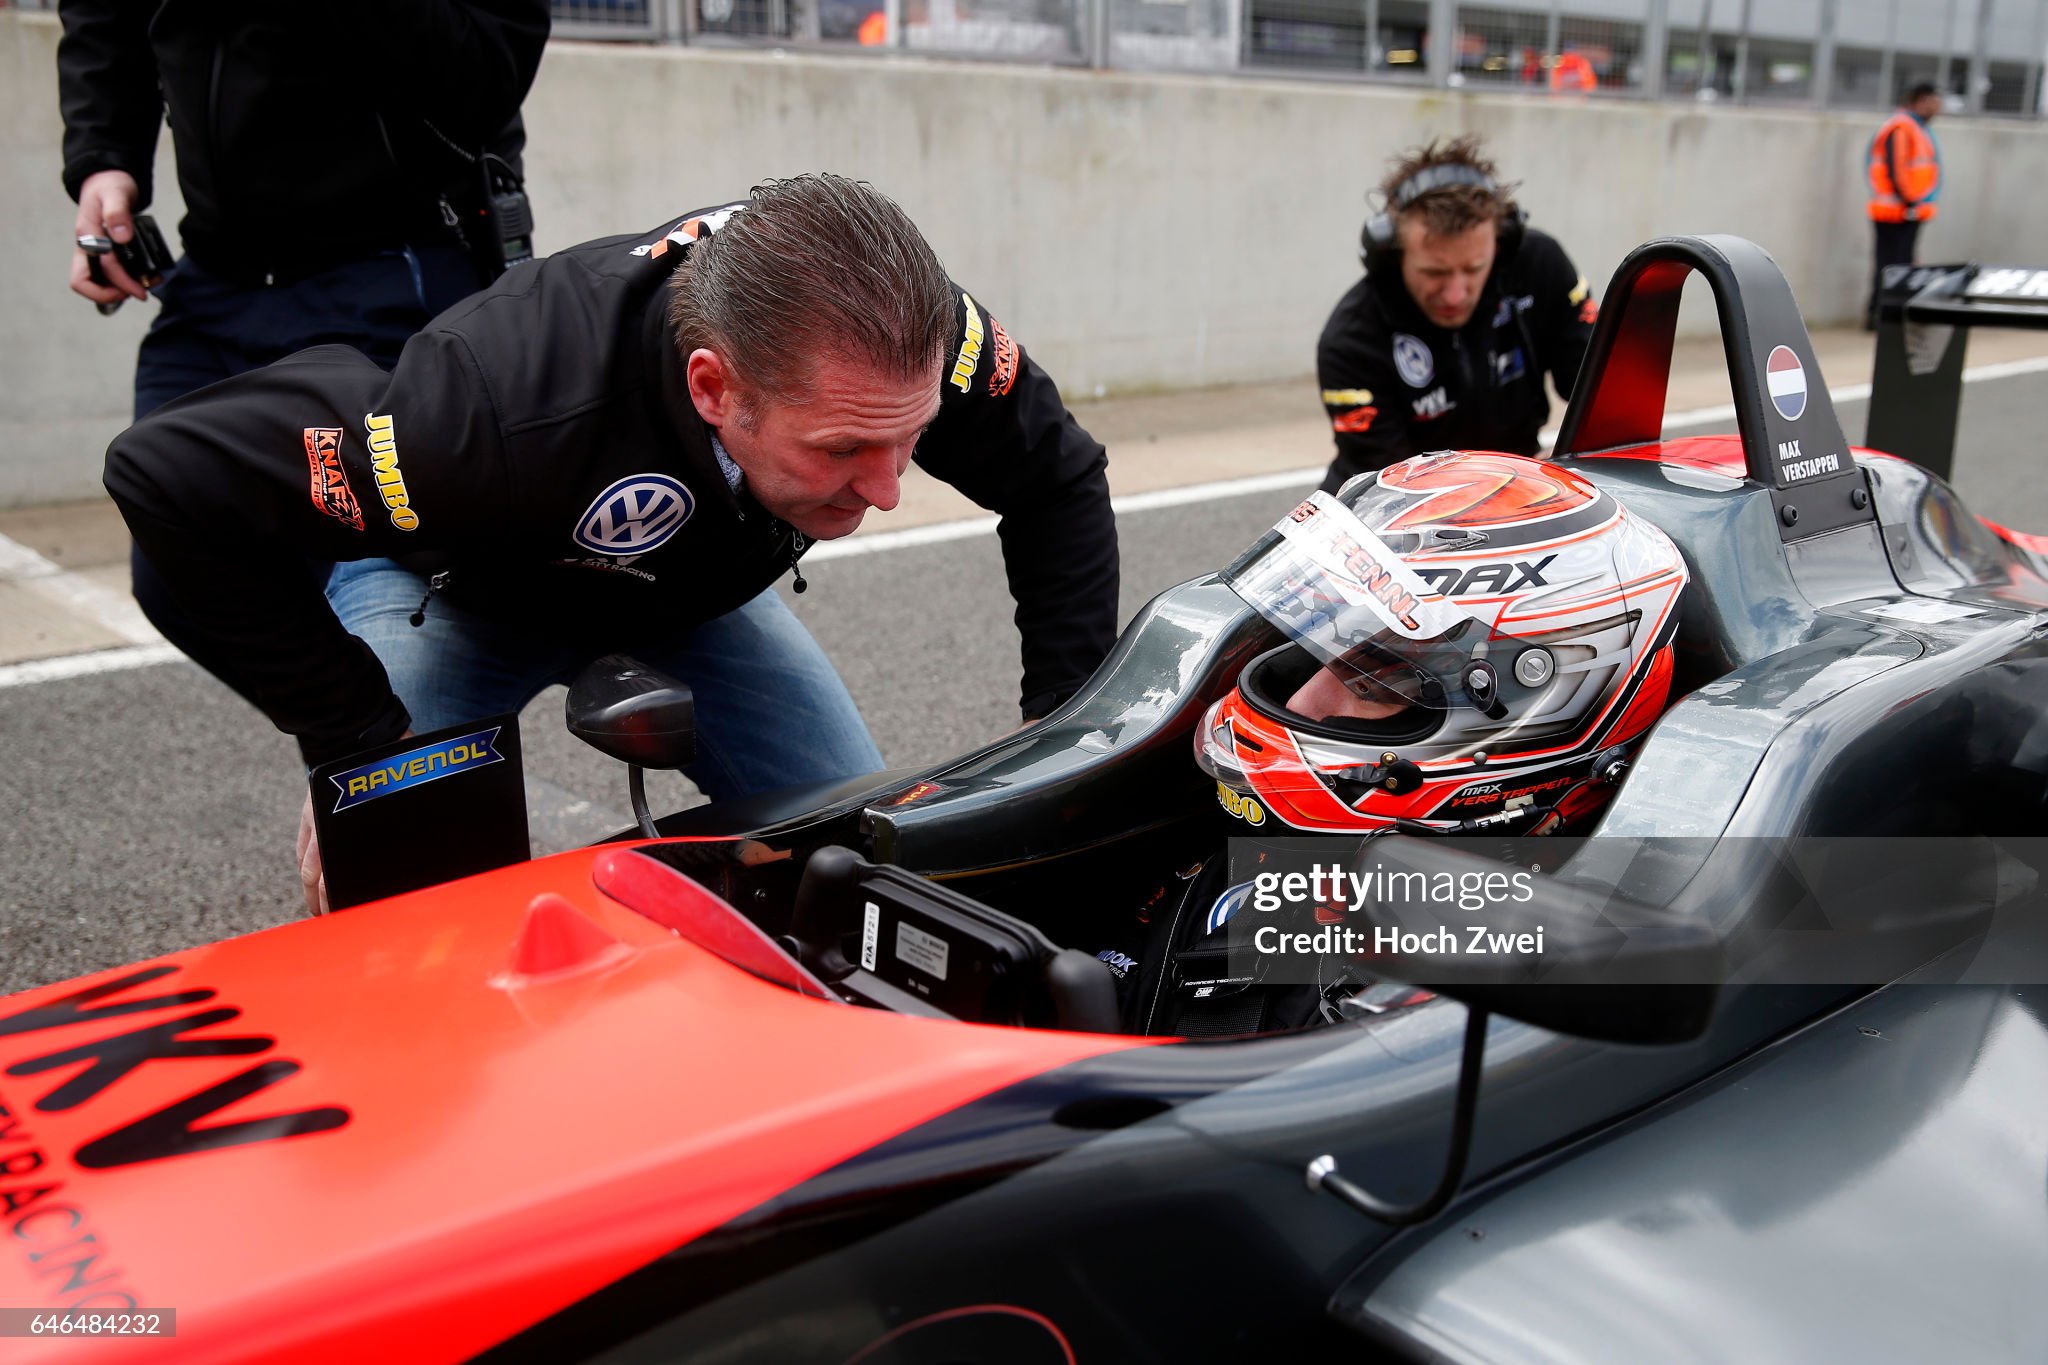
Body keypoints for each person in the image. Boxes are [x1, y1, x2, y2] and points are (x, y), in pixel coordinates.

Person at [103, 174, 1120, 913]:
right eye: (845, 450)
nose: (888, 492)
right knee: (391, 881)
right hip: (456, 590)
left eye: (908, 442)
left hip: (686, 600)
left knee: (870, 867)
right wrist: (352, 738)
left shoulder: (916, 339)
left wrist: (1061, 734)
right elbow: (164, 476)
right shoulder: (481, 415)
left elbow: (1058, 481)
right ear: (714, 389)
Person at [1098, 450, 1688, 1035]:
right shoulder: (1244, 873)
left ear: (1541, 708)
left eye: (1377, 682)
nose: (1303, 701)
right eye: (1322, 651)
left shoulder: (1569, 969)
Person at [60, 2, 551, 691]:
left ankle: (394, 765)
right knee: (176, 562)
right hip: (218, 274)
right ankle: (361, 751)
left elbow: (486, 71)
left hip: (392, 261)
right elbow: (103, 19)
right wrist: (104, 160)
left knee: (394, 590)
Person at [1315, 136, 1599, 495]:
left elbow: (1602, 394)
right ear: (1393, 255)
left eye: (1474, 268)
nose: (1455, 293)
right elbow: (1389, 491)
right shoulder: (1351, 340)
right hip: (1393, 511)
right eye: (1435, 272)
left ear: (1501, 243)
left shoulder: (1540, 266)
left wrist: (1558, 470)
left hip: (1520, 483)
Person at [1865, 81, 1944, 331]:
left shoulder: (1912, 127)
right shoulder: (1902, 128)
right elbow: (1897, 169)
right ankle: (1882, 317)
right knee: (1892, 267)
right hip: (1896, 212)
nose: (1936, 108)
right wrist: (1910, 202)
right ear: (1920, 100)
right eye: (1933, 102)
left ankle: (1890, 315)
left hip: (1904, 211)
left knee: (1898, 266)